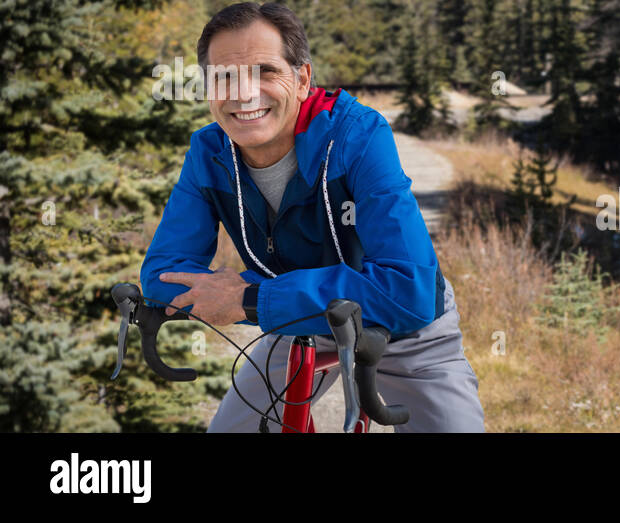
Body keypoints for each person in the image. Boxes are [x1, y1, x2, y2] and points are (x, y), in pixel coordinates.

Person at [139, 2, 484, 432]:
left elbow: (407, 290)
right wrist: (262, 300)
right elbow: (162, 274)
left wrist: (249, 297)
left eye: (265, 71)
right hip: (299, 322)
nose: (244, 93)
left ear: (302, 78)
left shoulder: (357, 135)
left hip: (403, 328)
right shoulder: (209, 152)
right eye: (225, 76)